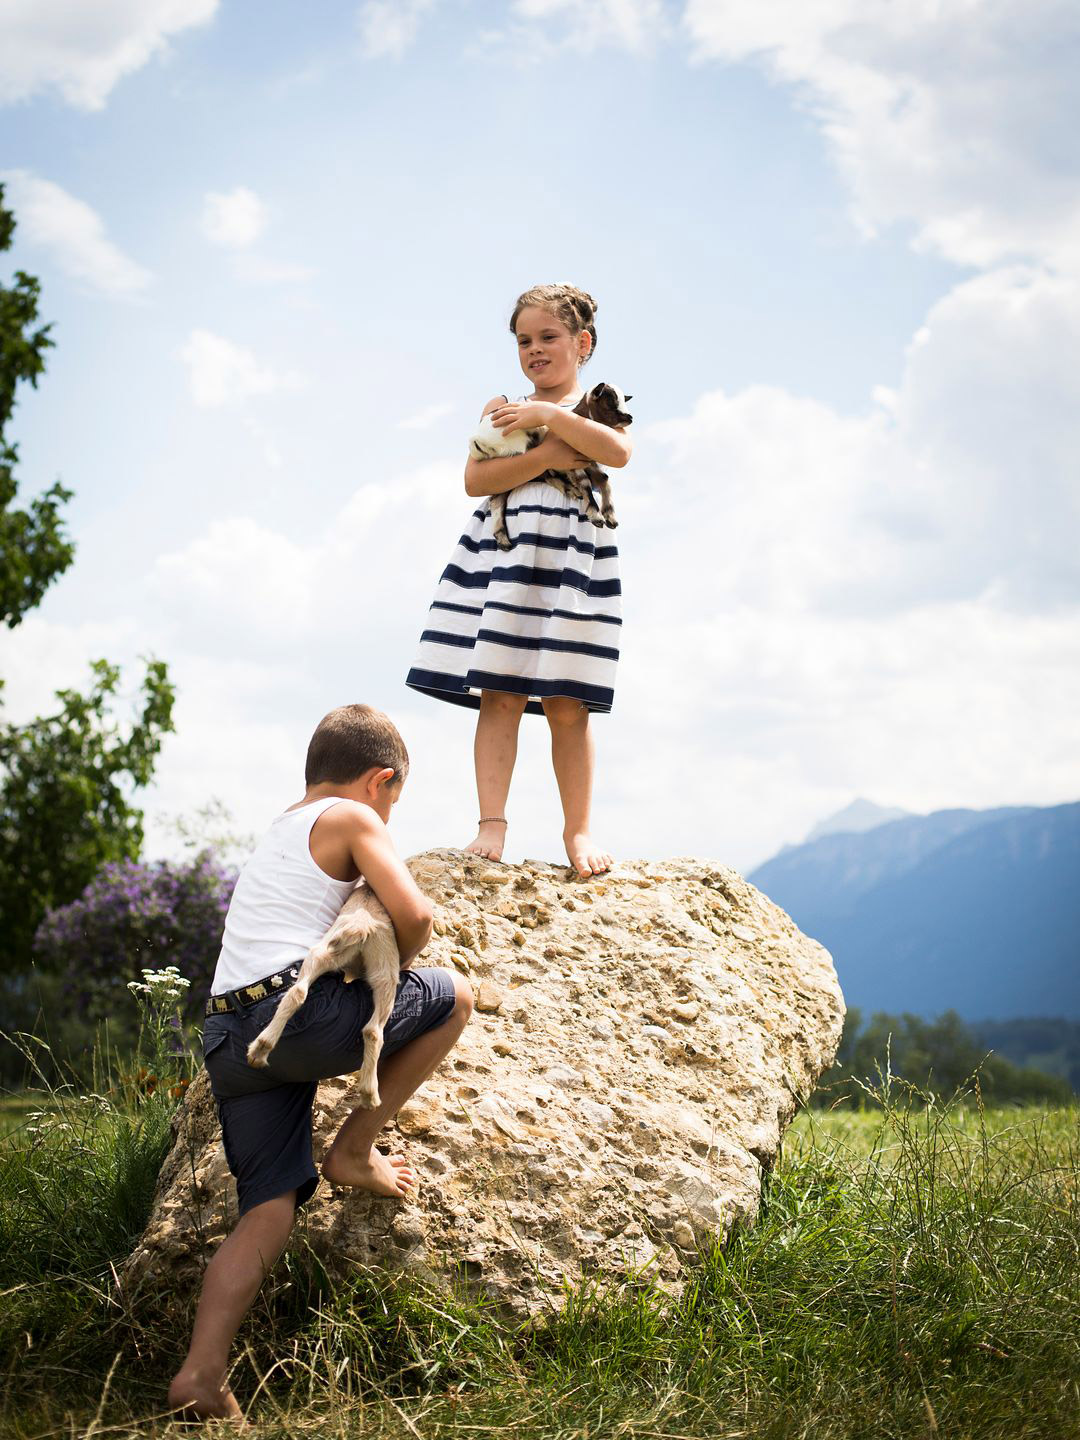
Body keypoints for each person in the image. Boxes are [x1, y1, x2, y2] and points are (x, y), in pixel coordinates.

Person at [168, 703, 473, 1422]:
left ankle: (200, 1377)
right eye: (394, 803)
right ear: (381, 781)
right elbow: (417, 917)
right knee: (455, 997)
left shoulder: (281, 825)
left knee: (267, 1211)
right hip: (299, 1014)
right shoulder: (356, 819)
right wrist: (388, 976)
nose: (389, 819)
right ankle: (355, 1149)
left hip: (228, 1035)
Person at [406, 284, 632, 878]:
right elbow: (476, 480)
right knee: (499, 691)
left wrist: (551, 418)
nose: (535, 349)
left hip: (572, 561)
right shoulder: (503, 409)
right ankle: (491, 823)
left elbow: (618, 452)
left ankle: (578, 830)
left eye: (549, 337)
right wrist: (547, 453)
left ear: (581, 344)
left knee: (568, 700)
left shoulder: (597, 405)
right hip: (507, 554)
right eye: (524, 340)